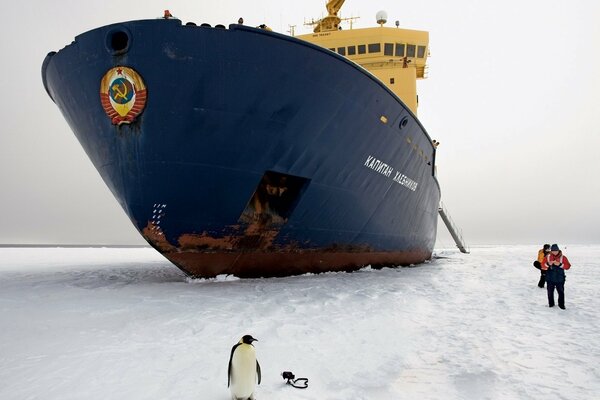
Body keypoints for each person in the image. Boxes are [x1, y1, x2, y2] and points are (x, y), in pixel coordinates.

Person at [542, 244, 571, 309]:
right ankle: (551, 305)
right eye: (553, 251)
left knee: (561, 293)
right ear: (551, 251)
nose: (554, 252)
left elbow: (568, 266)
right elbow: (543, 266)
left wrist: (560, 264)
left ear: (558, 250)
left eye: (556, 250)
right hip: (550, 279)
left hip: (560, 279)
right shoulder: (547, 257)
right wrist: (547, 264)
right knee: (550, 293)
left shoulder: (563, 257)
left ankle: (561, 305)